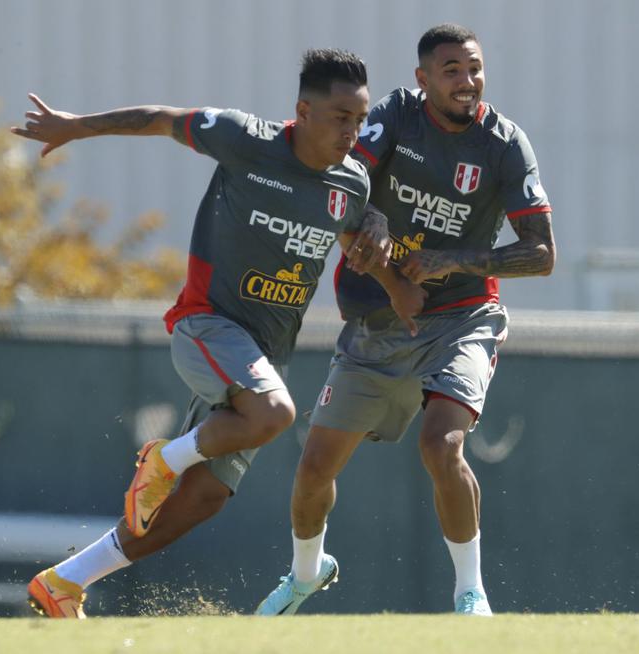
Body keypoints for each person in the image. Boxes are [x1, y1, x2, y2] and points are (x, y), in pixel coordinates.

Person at [11, 48, 424, 618]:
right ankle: (163, 460)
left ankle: (64, 582)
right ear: (302, 110)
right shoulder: (244, 139)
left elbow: (358, 235)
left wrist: (396, 282)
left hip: (260, 359)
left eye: (359, 119)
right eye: (339, 117)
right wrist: (75, 127)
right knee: (275, 416)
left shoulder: (350, 182)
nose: (352, 132)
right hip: (208, 324)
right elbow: (160, 117)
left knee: (204, 498)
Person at [255, 24, 555, 617]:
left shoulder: (504, 144)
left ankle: (471, 593)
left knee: (441, 446)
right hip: (375, 322)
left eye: (474, 69)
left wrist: (455, 259)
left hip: (462, 317)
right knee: (314, 468)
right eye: (451, 71)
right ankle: (305, 574)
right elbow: (343, 183)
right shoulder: (393, 115)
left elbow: (542, 254)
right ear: (423, 80)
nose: (467, 82)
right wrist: (374, 225)